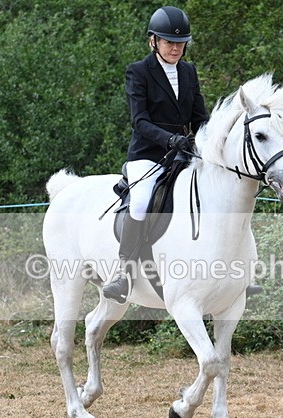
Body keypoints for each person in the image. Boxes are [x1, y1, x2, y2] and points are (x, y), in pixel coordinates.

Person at [103, 6, 209, 303]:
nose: (176, 48)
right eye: (169, 42)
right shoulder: (138, 72)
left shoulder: (188, 71)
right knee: (141, 200)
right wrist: (170, 139)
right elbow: (140, 121)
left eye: (180, 43)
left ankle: (230, 276)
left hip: (183, 152)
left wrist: (211, 142)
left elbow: (200, 117)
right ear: (154, 41)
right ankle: (123, 274)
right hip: (147, 154)